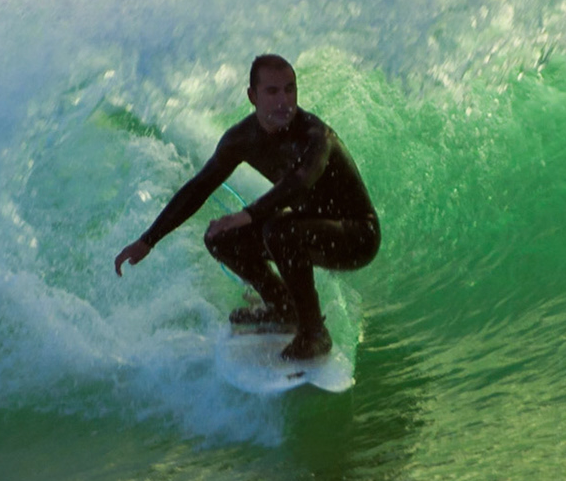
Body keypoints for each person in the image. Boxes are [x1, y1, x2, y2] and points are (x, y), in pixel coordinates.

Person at [113, 54, 380, 360]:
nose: (284, 101)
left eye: (290, 89)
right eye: (272, 91)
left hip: (357, 236)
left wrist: (247, 215)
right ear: (252, 96)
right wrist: (148, 239)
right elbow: (199, 187)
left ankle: (314, 332)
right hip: (305, 227)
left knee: (280, 229)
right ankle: (282, 309)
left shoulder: (314, 135)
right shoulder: (242, 138)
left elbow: (301, 181)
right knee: (219, 236)